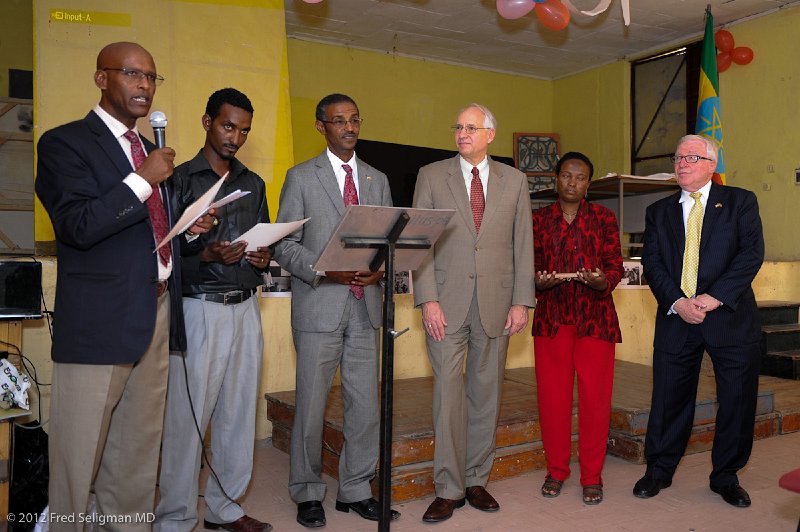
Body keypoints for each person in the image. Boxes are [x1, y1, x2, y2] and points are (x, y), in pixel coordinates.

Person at [35, 42, 213, 530]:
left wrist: (187, 227)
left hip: (154, 310)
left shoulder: (152, 151)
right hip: (99, 319)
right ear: (101, 79)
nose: (144, 85)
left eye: (152, 78)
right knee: (79, 453)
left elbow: (149, 228)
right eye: (132, 74)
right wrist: (141, 181)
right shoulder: (64, 143)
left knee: (137, 448)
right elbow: (77, 225)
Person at [273, 93, 400, 528]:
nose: (348, 127)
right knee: (310, 406)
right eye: (338, 120)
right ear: (321, 126)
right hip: (319, 306)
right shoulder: (300, 177)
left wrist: (379, 272)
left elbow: (388, 243)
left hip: (367, 310)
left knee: (365, 407)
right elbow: (284, 244)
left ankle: (355, 489)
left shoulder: (378, 179)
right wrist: (324, 272)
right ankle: (307, 491)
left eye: (354, 119)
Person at [155, 88, 272, 532]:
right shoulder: (179, 180)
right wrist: (206, 256)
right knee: (187, 420)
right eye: (228, 126)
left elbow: (261, 241)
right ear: (207, 122)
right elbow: (161, 255)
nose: (235, 137)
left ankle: (225, 510)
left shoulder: (253, 183)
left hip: (246, 309)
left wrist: (261, 257)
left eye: (243, 130)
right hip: (198, 308)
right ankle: (175, 517)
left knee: (238, 414)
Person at [412, 103, 535, 523]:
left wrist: (522, 301)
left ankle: (476, 479)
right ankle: (447, 487)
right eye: (458, 127)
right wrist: (427, 298)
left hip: (497, 303)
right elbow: (420, 242)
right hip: (444, 304)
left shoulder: (515, 181)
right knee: (448, 395)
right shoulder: (431, 176)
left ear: (489, 135)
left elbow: (523, 245)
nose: (462, 133)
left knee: (486, 394)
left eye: (471, 127)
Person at [634, 134, 764, 508]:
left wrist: (711, 298)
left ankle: (726, 476)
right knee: (669, 399)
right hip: (677, 318)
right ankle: (658, 471)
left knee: (737, 401)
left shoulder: (740, 201)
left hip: (730, 318)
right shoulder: (658, 211)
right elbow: (653, 263)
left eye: (691, 157)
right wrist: (677, 301)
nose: (681, 163)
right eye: (677, 157)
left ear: (712, 164)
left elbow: (750, 254)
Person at [531, 152, 623, 505]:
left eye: (580, 177)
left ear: (588, 183)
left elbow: (615, 266)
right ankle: (556, 470)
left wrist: (602, 281)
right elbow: (531, 266)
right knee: (552, 400)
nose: (572, 182)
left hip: (595, 319)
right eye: (566, 175)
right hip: (553, 319)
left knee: (595, 400)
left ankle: (591, 475)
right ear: (556, 179)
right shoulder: (539, 220)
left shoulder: (603, 218)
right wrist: (539, 282)